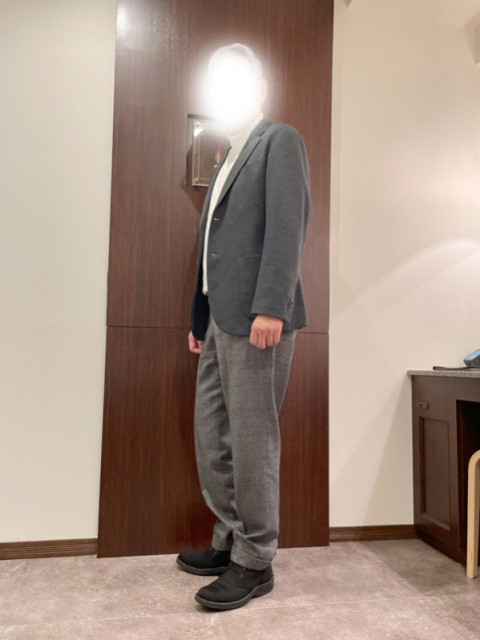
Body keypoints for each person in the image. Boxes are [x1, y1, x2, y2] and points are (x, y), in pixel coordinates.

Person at [176, 43, 311, 611]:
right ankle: (230, 539)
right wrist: (199, 316)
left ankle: (256, 560)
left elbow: (287, 226)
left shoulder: (279, 140)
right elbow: (212, 249)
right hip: (219, 321)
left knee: (253, 441)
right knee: (213, 436)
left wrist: (272, 307)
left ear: (259, 90)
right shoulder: (226, 155)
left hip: (258, 317)